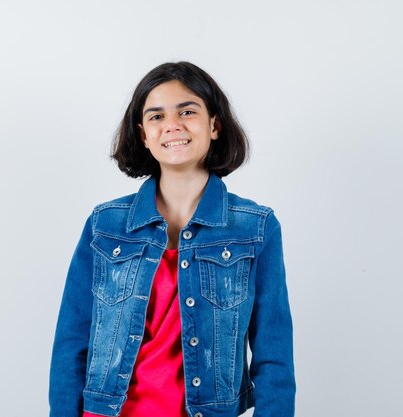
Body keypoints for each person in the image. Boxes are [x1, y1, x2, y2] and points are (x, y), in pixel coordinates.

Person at [49, 61, 295, 417]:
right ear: (143, 135)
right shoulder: (105, 225)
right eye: (156, 117)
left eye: (187, 111)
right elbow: (71, 343)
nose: (172, 125)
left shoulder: (255, 229)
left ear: (214, 125)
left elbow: (274, 357)